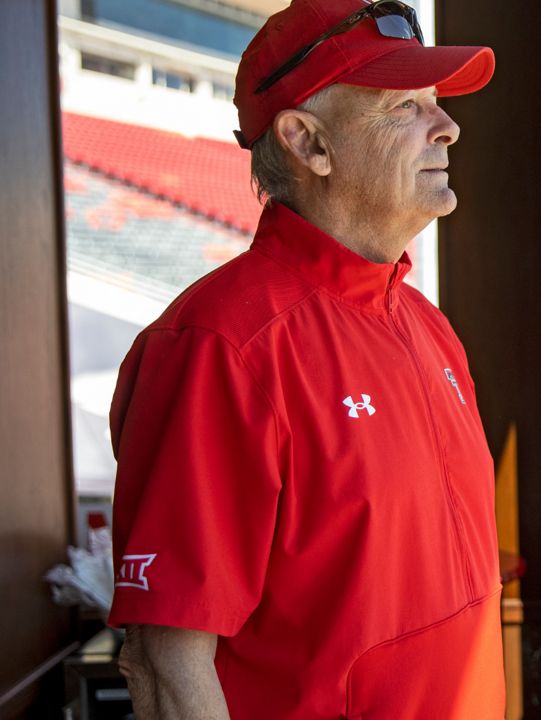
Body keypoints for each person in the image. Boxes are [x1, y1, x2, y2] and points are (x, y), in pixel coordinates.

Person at [107, 1, 502, 717]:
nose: (446, 128)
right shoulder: (219, 346)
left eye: (436, 106)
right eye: (403, 108)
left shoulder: (429, 327)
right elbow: (167, 659)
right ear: (308, 142)